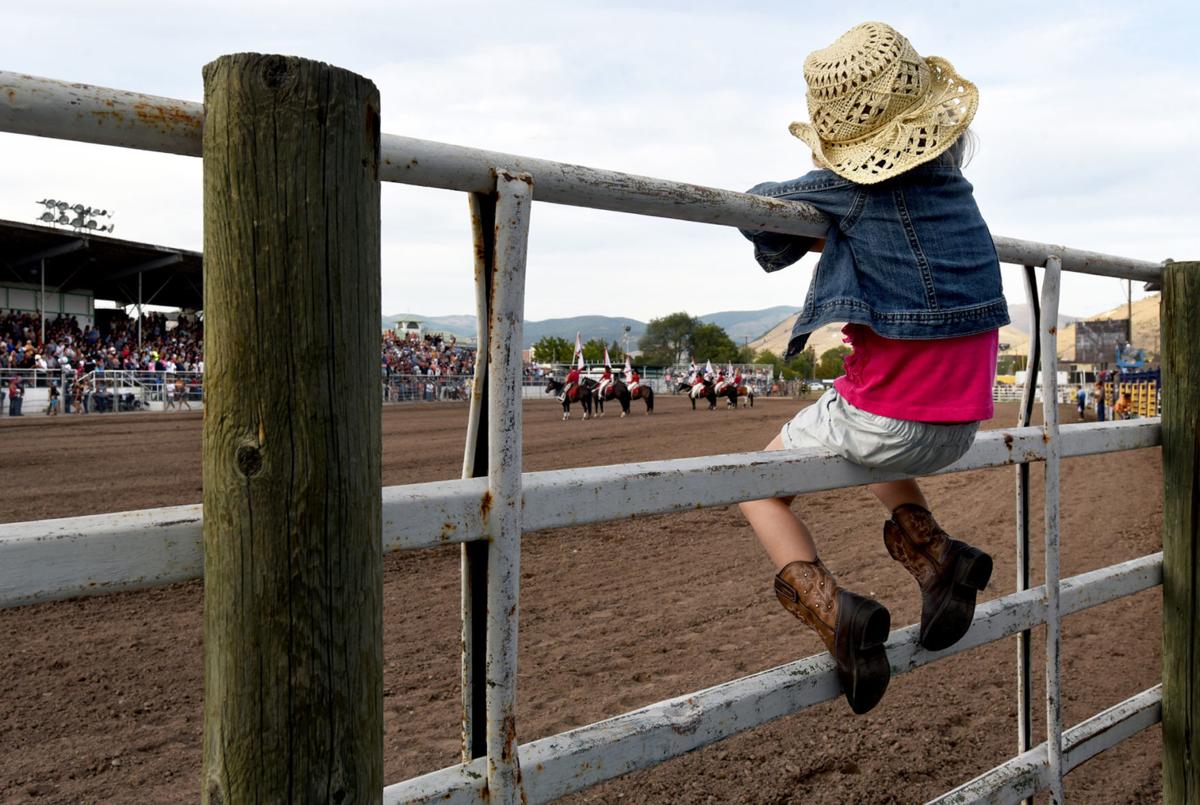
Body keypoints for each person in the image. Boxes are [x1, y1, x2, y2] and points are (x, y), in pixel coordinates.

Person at [736, 22, 1004, 714]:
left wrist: (822, 197)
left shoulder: (845, 192)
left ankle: (838, 615)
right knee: (874, 436)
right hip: (960, 418)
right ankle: (938, 559)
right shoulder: (958, 192)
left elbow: (759, 215)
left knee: (754, 486)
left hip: (889, 417)